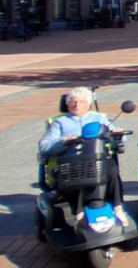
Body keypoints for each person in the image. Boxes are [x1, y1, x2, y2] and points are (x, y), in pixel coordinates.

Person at [39, 87, 128, 226]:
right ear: (67, 104)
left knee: (111, 168)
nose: (76, 105)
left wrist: (117, 135)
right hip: (70, 161)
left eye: (81, 101)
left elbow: (119, 141)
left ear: (88, 104)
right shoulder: (59, 122)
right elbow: (44, 146)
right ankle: (78, 213)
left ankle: (118, 208)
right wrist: (63, 141)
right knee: (75, 173)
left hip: (96, 158)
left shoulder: (99, 118)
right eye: (72, 101)